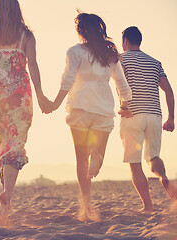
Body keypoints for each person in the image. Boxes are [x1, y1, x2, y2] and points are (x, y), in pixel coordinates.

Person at [0, 0, 50, 223]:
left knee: (4, 140)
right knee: (16, 141)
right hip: (19, 92)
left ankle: (5, 194)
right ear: (17, 11)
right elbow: (32, 64)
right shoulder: (27, 35)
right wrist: (41, 94)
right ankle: (7, 197)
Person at [49, 13, 132, 221]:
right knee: (98, 154)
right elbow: (121, 82)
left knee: (81, 159)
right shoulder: (110, 53)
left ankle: (86, 205)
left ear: (80, 31)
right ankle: (98, 154)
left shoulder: (74, 52)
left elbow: (67, 79)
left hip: (79, 109)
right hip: (103, 110)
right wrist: (124, 105)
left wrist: (55, 103)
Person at [119, 26, 177, 211]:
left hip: (132, 114)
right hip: (154, 115)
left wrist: (123, 107)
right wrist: (171, 118)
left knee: (134, 164)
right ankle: (163, 178)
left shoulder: (120, 59)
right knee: (153, 157)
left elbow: (122, 86)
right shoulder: (155, 62)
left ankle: (148, 206)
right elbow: (168, 90)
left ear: (126, 41)